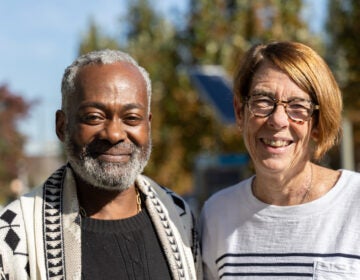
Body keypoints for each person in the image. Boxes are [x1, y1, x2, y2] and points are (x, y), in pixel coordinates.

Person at [0, 49, 201, 279]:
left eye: (131, 118)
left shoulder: (179, 217)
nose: (114, 134)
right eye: (94, 117)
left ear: (148, 125)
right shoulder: (15, 235)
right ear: (62, 127)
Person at [200, 41, 360, 279]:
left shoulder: (354, 204)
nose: (278, 120)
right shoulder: (217, 215)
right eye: (263, 101)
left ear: (316, 121)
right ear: (240, 112)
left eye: (297, 106)